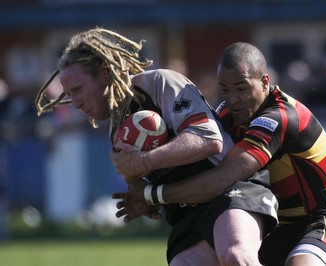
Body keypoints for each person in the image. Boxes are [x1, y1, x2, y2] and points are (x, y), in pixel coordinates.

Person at [35, 28, 278, 266]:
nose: (75, 103)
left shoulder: (159, 83)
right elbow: (146, 183)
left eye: (78, 90)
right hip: (187, 215)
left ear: (104, 74)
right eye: (68, 94)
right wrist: (141, 197)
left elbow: (208, 139)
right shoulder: (117, 128)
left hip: (231, 192)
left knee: (235, 256)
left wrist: (144, 161)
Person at [114, 42, 326, 266]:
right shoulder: (226, 116)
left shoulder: (281, 118)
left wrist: (151, 195)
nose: (232, 99)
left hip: (324, 220)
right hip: (273, 223)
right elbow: (200, 172)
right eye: (224, 89)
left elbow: (220, 180)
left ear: (264, 82)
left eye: (241, 88)